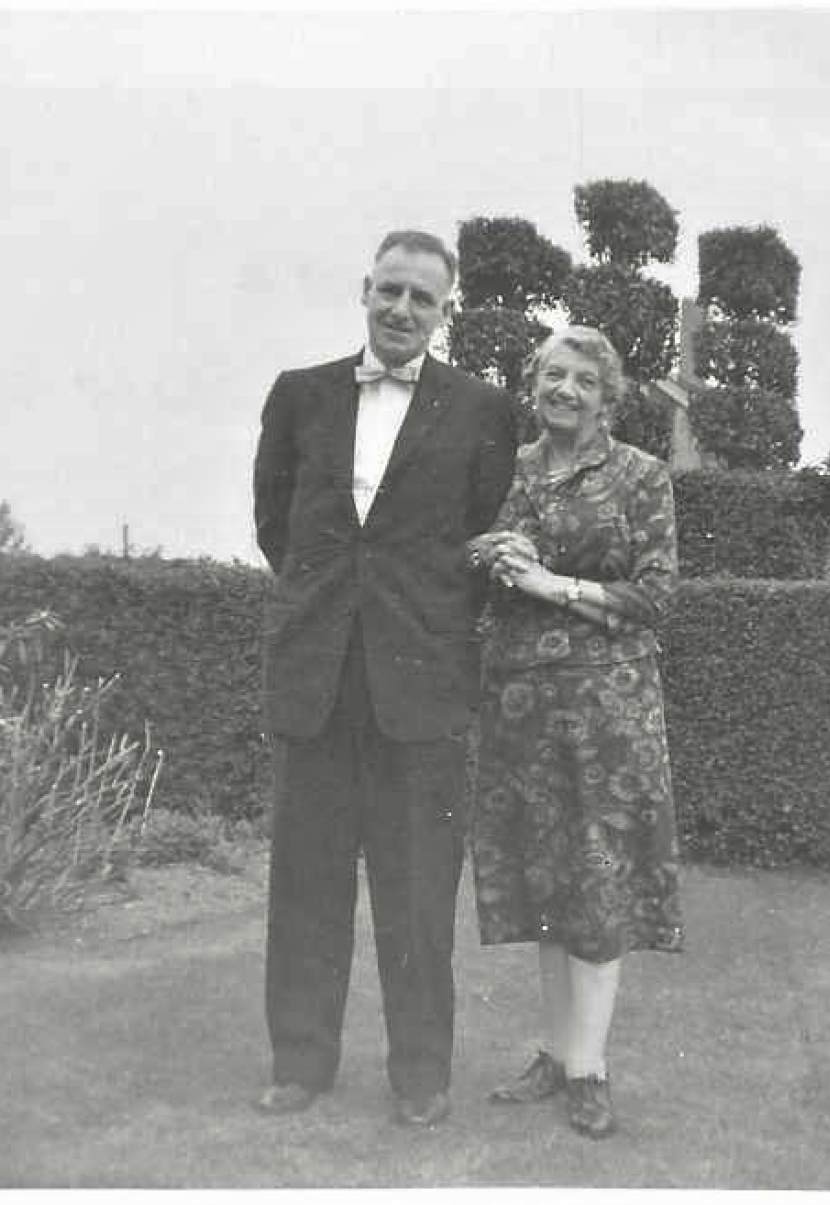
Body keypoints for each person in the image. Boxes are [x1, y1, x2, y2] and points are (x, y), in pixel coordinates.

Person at [252, 230, 517, 1127]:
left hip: (423, 683)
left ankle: (420, 1077)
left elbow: (484, 536)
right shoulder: (300, 396)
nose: (403, 310)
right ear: (365, 289)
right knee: (306, 886)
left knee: (416, 893)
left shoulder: (482, 410)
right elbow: (275, 526)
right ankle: (300, 1063)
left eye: (423, 299)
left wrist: (418, 613)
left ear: (446, 312)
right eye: (390, 291)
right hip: (317, 677)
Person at [467, 325, 684, 1140]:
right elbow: (465, 554)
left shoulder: (640, 475)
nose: (566, 389)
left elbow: (657, 595)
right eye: (553, 374)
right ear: (533, 382)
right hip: (520, 702)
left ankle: (590, 1067)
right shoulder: (506, 470)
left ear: (608, 395)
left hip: (608, 710)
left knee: (595, 883)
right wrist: (492, 547)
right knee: (545, 883)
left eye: (583, 380)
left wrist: (549, 582)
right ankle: (555, 1054)